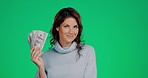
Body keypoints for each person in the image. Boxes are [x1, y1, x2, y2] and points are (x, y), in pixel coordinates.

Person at [30, 7, 97, 78]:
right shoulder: (45, 57)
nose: (71, 31)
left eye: (75, 27)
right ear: (57, 27)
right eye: (66, 26)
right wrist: (41, 68)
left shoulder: (87, 51)